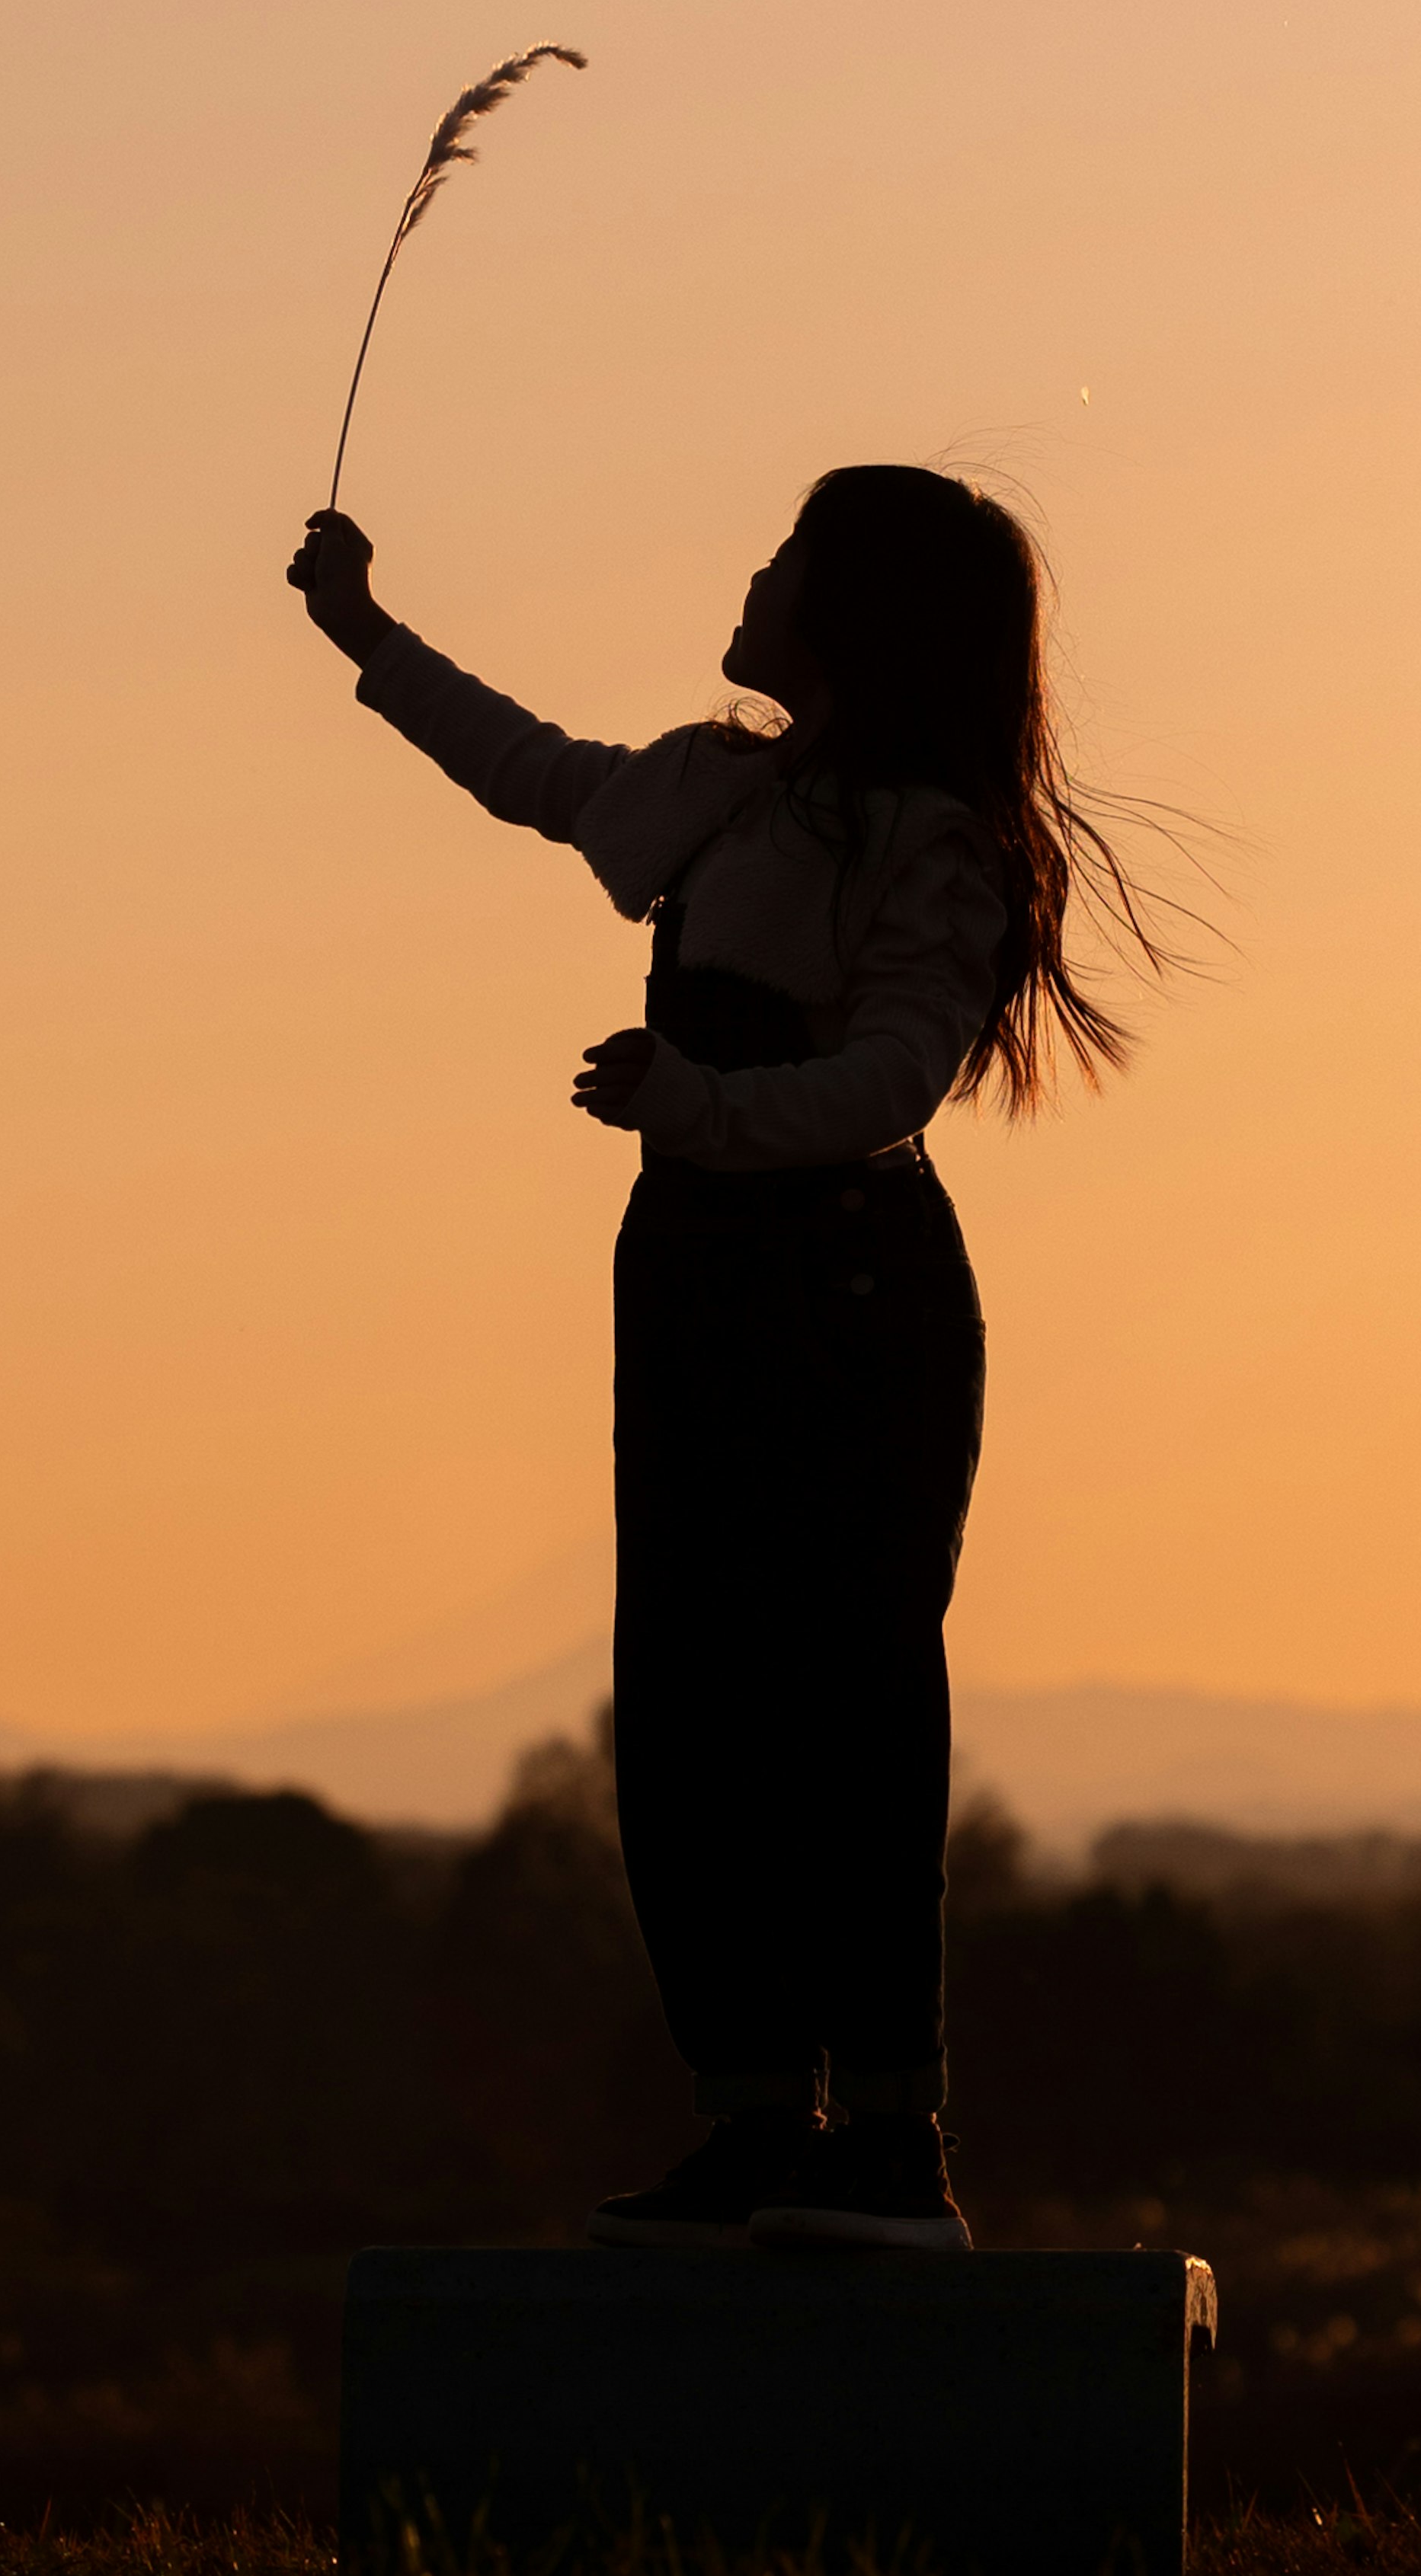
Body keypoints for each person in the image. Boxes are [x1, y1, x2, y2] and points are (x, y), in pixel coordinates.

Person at [287, 465, 1160, 2252]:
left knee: (845, 1709)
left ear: (859, 615)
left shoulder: (934, 847)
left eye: (790, 558)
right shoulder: (724, 789)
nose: (755, 577)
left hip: (846, 1293)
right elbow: (536, 773)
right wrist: (369, 637)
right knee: (688, 1704)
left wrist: (692, 1103)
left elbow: (887, 1086)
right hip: (689, 1277)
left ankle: (894, 2151)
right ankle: (760, 2117)